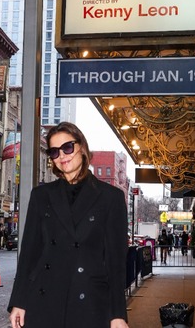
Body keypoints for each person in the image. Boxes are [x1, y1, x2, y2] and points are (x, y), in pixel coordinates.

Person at [8, 122, 129, 328]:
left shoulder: (111, 198)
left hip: (90, 302)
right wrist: (18, 302)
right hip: (44, 300)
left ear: (82, 147)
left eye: (67, 148)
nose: (62, 156)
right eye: (54, 152)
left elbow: (115, 263)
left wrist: (118, 314)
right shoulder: (41, 196)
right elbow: (29, 254)